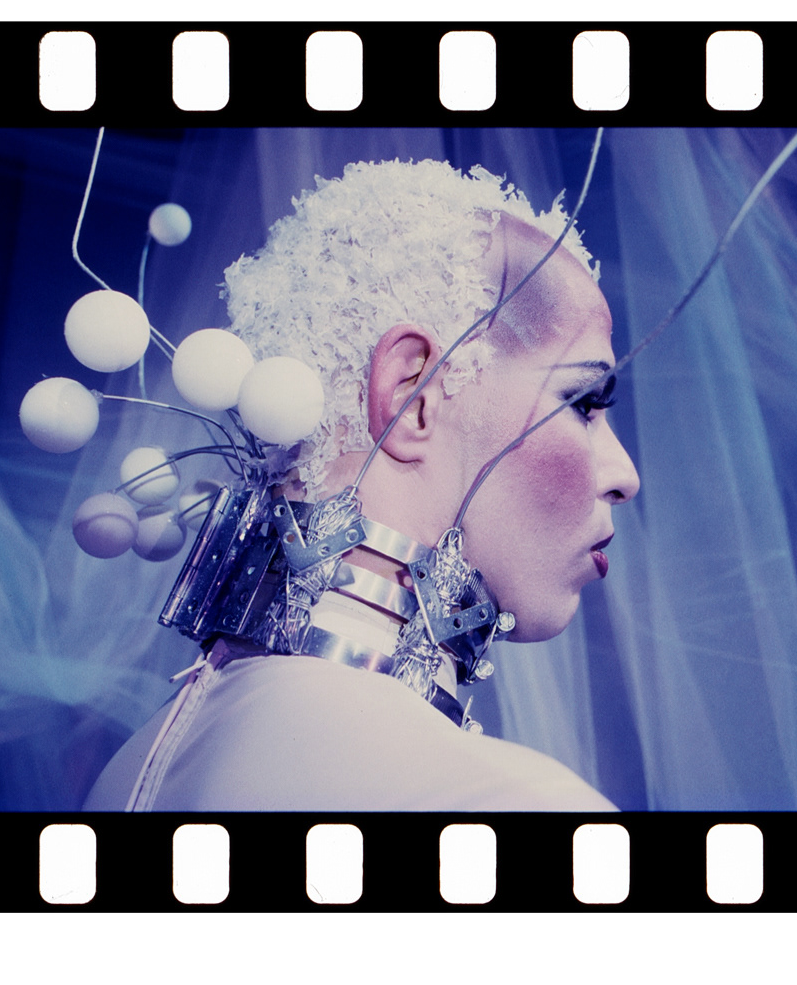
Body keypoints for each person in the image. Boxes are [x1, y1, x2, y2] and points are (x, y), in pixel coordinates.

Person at [85, 159, 639, 811]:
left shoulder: (126, 773)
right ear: (414, 395)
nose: (624, 477)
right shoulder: (506, 801)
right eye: (583, 402)